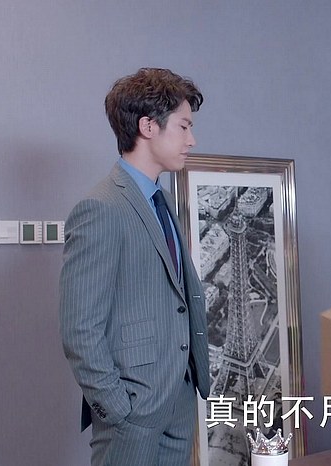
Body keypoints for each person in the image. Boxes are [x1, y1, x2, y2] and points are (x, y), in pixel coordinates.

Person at [59, 67, 210, 466]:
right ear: (148, 126)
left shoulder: (161, 201)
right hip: (133, 410)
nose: (191, 140)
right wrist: (116, 408)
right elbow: (79, 328)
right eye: (183, 126)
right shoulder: (100, 208)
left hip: (178, 400)